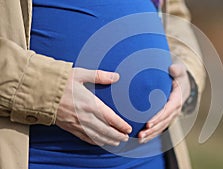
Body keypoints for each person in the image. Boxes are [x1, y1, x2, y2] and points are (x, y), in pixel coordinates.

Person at [0, 0, 205, 169]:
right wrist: (47, 88)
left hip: (149, 156)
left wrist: (187, 70)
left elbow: (175, 15)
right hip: (41, 156)